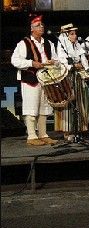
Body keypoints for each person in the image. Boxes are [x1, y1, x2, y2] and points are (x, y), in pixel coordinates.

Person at [11, 15, 59, 146]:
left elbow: (57, 60)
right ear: (32, 29)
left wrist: (53, 62)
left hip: (46, 80)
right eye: (38, 25)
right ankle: (32, 136)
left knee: (44, 107)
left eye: (42, 25)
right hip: (30, 79)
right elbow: (14, 60)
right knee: (31, 107)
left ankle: (43, 134)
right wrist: (32, 63)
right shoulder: (24, 43)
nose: (41, 27)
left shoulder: (48, 43)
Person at [56, 23, 89, 134]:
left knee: (83, 99)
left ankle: (84, 128)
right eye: (72, 34)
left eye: (75, 33)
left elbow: (83, 58)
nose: (75, 36)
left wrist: (85, 69)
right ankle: (67, 131)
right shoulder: (62, 45)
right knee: (69, 101)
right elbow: (62, 61)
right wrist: (72, 66)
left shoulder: (77, 45)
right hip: (68, 75)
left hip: (79, 75)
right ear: (66, 36)